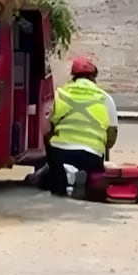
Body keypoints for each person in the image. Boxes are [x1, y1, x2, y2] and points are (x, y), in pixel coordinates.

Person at [45, 57, 118, 196]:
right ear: (92, 78)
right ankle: (84, 178)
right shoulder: (105, 98)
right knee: (92, 183)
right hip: (92, 155)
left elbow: (49, 128)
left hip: (61, 153)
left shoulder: (59, 94)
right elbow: (112, 137)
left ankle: (61, 176)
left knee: (52, 173)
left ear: (73, 77)